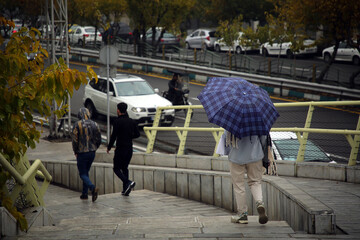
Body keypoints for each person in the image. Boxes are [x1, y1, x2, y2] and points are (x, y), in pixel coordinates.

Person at [224, 131, 268, 225]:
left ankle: (242, 214)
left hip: (236, 157)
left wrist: (228, 152)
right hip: (255, 155)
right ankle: (259, 202)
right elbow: (264, 139)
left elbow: (226, 139)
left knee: (239, 185)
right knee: (255, 182)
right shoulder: (256, 120)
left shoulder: (232, 118)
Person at [107, 102, 140, 196]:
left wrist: (109, 147)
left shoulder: (117, 122)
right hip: (129, 148)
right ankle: (126, 189)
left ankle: (128, 182)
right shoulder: (132, 121)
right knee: (125, 168)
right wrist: (129, 136)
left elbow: (113, 136)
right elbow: (137, 134)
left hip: (120, 148)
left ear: (118, 110)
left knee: (116, 168)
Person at [71, 108, 102, 202]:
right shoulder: (95, 124)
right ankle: (84, 194)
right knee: (86, 172)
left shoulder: (77, 125)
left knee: (82, 173)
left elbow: (75, 140)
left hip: (82, 152)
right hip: (92, 152)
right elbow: (99, 138)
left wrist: (75, 151)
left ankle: (92, 188)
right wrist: (95, 147)